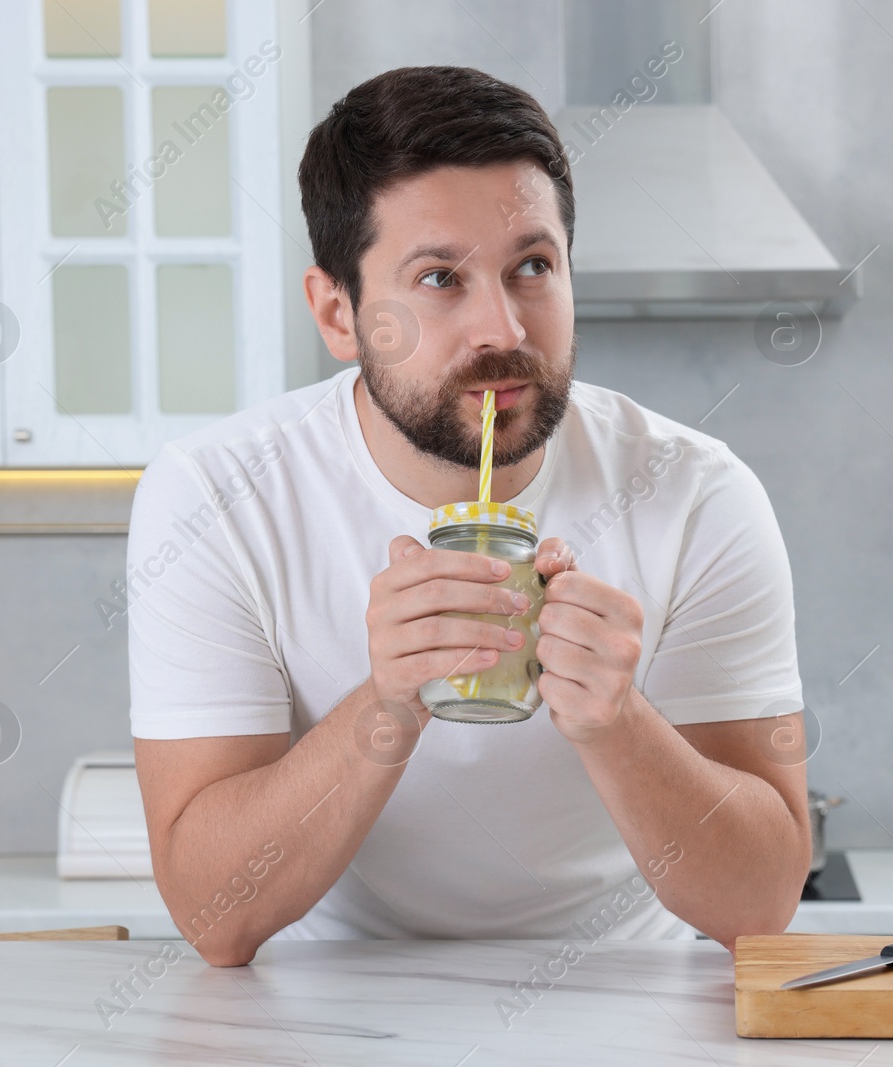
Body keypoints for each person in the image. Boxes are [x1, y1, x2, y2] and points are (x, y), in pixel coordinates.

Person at [128, 65, 810, 967]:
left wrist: (619, 722)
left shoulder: (698, 494)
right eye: (441, 278)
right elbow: (216, 916)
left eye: (533, 266)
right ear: (339, 313)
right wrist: (388, 699)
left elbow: (760, 908)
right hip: (328, 1006)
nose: (503, 329)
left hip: (624, 996)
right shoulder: (217, 495)